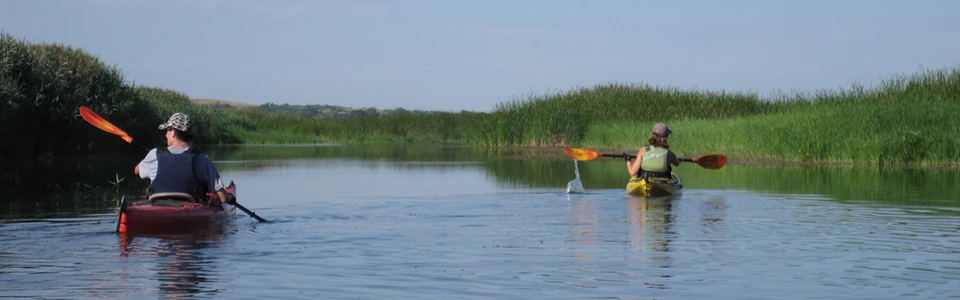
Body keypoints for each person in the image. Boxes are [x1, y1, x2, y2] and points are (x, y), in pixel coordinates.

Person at [134, 112, 233, 204]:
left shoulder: (154, 154)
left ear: (173, 132)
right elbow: (223, 198)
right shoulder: (202, 159)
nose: (165, 134)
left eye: (167, 130)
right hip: (191, 210)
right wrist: (230, 197)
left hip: (157, 207)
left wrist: (149, 159)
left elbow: (137, 170)